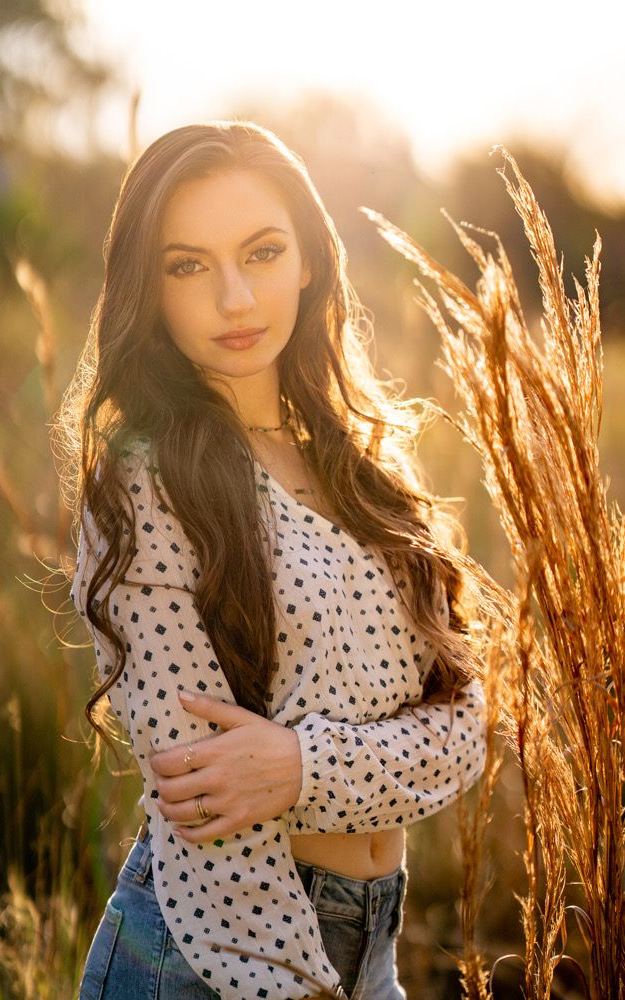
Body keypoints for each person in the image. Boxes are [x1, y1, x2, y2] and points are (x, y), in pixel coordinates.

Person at [59, 119, 487, 1000]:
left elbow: (466, 731)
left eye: (260, 253)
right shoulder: (143, 484)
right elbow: (205, 801)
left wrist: (296, 766)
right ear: (149, 287)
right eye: (187, 266)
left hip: (372, 948)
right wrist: (294, 982)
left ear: (308, 262)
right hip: (217, 955)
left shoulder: (368, 470)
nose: (234, 299)